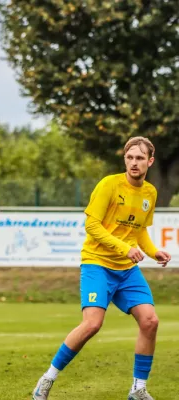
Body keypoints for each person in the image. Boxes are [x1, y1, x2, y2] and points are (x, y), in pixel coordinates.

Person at [31, 137, 172, 400]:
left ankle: (138, 389)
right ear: (124, 159)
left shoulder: (150, 193)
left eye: (139, 158)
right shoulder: (109, 184)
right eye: (129, 157)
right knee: (92, 324)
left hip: (127, 270)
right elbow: (92, 227)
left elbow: (139, 231)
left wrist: (154, 252)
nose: (133, 162)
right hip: (97, 263)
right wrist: (124, 248)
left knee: (150, 321)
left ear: (150, 162)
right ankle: (47, 379)